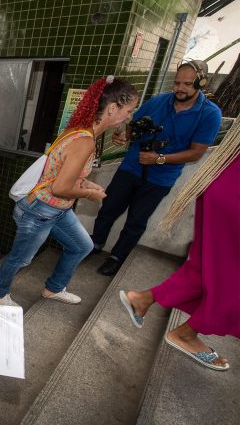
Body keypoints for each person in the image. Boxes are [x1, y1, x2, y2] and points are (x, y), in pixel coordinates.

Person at [0, 76, 138, 306]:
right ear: (111, 108)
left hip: (57, 209)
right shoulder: (85, 141)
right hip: (40, 210)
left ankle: (53, 288)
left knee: (82, 246)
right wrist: (90, 194)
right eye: (128, 110)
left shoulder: (82, 131)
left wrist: (86, 184)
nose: (129, 116)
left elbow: (62, 173)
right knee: (21, 258)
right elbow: (60, 187)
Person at [119, 119, 240, 371]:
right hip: (232, 194)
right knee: (230, 279)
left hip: (226, 184)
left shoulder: (209, 114)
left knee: (205, 268)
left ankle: (142, 299)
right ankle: (185, 334)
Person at [91, 60, 222, 276]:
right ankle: (94, 244)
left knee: (136, 221)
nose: (180, 88)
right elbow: (133, 126)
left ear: (201, 83)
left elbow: (197, 152)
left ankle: (116, 257)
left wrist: (159, 159)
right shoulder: (159, 101)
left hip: (160, 178)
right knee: (108, 208)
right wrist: (124, 135)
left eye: (187, 84)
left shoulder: (210, 114)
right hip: (130, 168)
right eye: (177, 83)